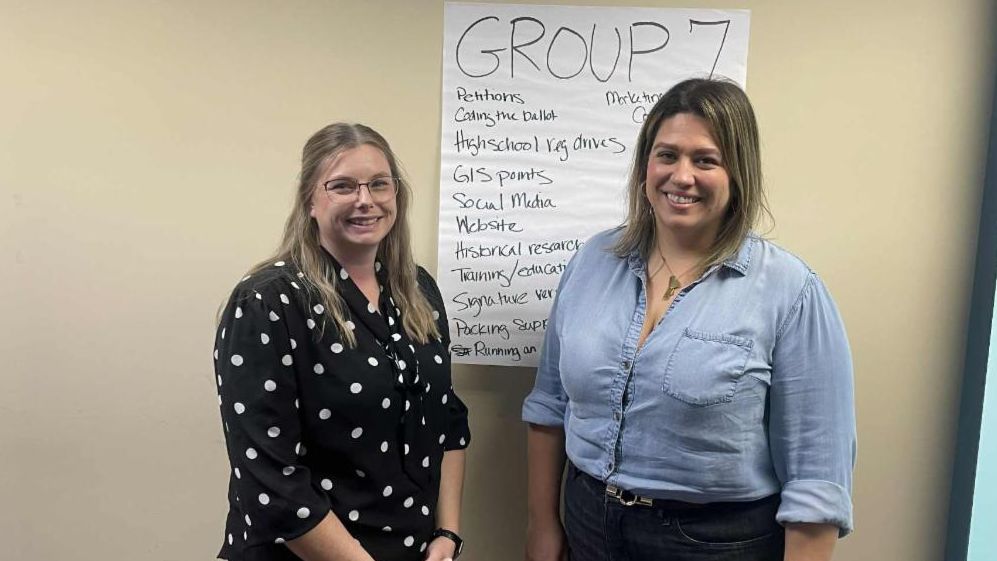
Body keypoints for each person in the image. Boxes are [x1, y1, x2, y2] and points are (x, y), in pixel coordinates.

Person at [523, 78, 856, 561]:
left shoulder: (791, 292)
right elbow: (550, 406)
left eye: (705, 160)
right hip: (588, 524)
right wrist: (542, 524)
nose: (681, 176)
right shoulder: (592, 262)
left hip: (715, 543)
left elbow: (817, 478)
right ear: (645, 165)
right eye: (667, 155)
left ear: (738, 172)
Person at [213, 123, 470, 561]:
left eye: (379, 184)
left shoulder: (418, 290)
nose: (365, 200)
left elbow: (448, 420)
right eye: (343, 186)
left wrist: (447, 534)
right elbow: (271, 479)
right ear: (310, 200)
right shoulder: (267, 302)